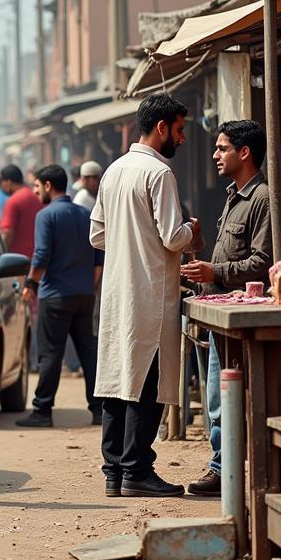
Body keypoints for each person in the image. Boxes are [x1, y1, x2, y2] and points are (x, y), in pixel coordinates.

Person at [90, 94, 202, 498]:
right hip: (150, 294)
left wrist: (128, 241)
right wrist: (194, 231)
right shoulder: (159, 173)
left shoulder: (114, 170)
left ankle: (114, 472)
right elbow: (174, 237)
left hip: (119, 293)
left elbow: (97, 235)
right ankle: (136, 470)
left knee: (120, 378)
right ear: (161, 128)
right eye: (180, 129)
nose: (183, 137)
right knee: (146, 383)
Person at [180, 120, 273, 496]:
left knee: (233, 398)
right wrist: (201, 263)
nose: (216, 155)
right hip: (222, 316)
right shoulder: (235, 196)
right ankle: (223, 469)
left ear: (244, 152)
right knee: (219, 398)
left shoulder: (263, 199)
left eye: (222, 149)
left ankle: (231, 472)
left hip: (245, 320)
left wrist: (213, 270)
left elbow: (263, 263)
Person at [15, 165, 102, 428]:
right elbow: (99, 257)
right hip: (84, 294)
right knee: (88, 352)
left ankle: (42, 411)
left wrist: (31, 283)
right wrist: (89, 286)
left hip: (55, 296)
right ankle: (98, 410)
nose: (35, 191)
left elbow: (41, 256)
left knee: (50, 353)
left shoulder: (46, 215)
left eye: (37, 186)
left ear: (49, 185)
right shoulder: (85, 213)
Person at [0, 164, 42, 258]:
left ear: (8, 182)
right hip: (37, 259)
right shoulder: (36, 198)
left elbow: (7, 233)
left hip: (17, 262)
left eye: (2, 182)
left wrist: (0, 256)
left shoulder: (13, 201)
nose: (2, 187)